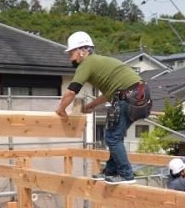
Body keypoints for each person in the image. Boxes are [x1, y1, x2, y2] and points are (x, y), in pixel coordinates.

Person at [55, 31, 148, 185]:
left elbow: (71, 91)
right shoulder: (100, 63)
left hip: (128, 96)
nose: (70, 57)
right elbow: (107, 95)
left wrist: (61, 110)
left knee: (112, 137)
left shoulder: (87, 63)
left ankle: (126, 175)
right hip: (140, 95)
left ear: (83, 50)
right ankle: (110, 172)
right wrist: (90, 106)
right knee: (114, 135)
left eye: (71, 52)